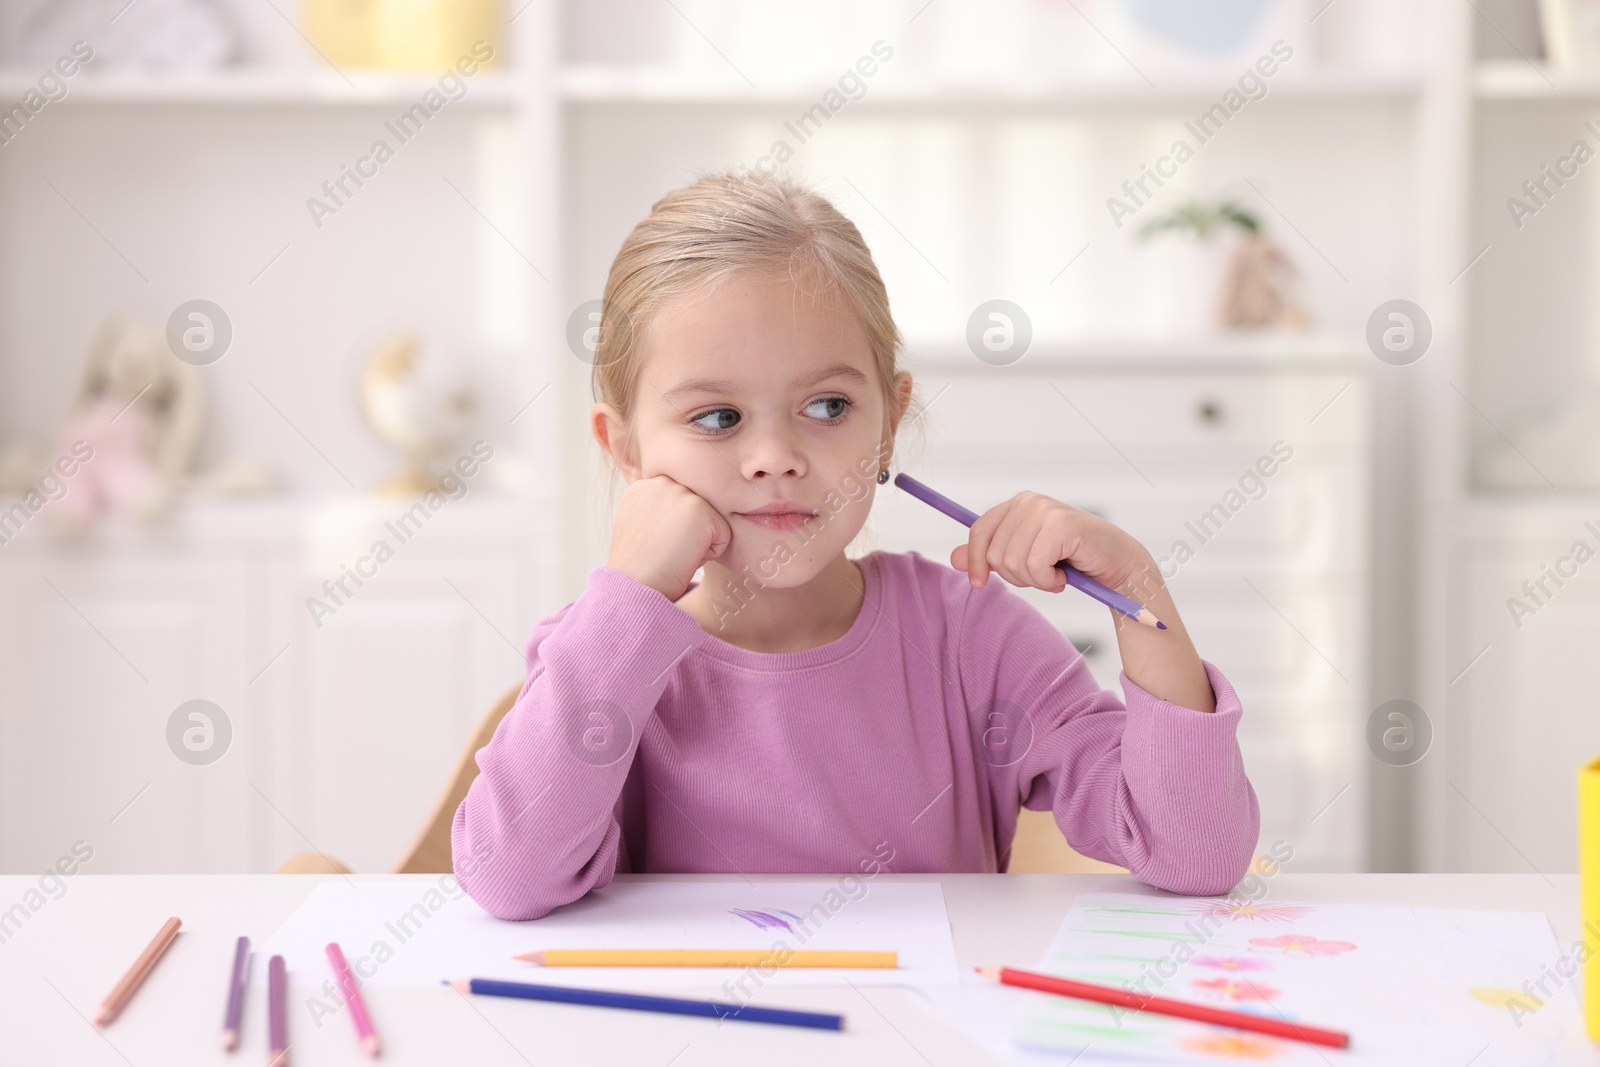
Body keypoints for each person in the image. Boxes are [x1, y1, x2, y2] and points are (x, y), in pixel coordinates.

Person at [452, 171, 1259, 920]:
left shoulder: (969, 638)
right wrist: (626, 597)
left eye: (829, 406)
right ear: (626, 449)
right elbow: (508, 877)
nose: (777, 455)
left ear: (889, 424)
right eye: (718, 417)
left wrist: (1141, 587)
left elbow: (1195, 855)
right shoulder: (604, 652)